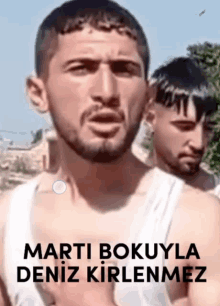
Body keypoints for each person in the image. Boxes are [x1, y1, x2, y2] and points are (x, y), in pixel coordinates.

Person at [0, 2, 220, 306]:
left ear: (147, 97)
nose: (106, 91)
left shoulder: (198, 220)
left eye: (124, 70)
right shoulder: (8, 224)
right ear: (39, 94)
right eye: (81, 68)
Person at [145, 57, 220, 197]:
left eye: (207, 128)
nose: (198, 144)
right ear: (150, 117)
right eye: (185, 127)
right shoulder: (118, 194)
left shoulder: (216, 198)